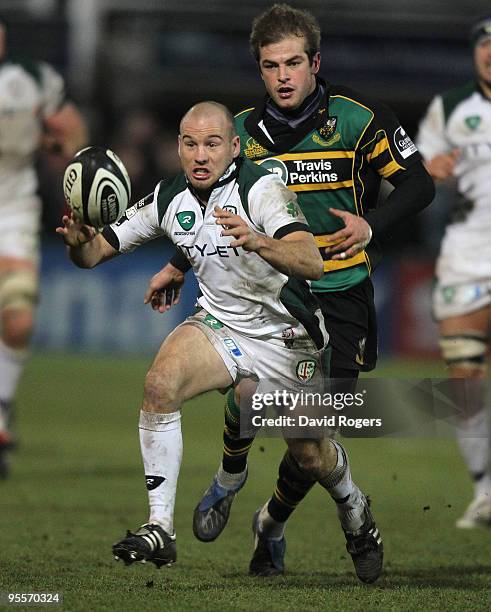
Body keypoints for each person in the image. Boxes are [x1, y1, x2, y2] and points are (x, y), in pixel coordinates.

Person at [145, 3, 434, 578]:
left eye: (294, 63)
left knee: (309, 436)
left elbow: (419, 184)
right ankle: (251, 474)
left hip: (343, 292)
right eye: (272, 65)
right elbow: (211, 205)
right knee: (277, 412)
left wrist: (372, 225)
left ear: (315, 63)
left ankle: (270, 521)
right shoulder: (243, 135)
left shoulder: (359, 117)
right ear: (259, 69)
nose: (283, 75)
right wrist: (179, 262)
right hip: (277, 300)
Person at [57, 101, 385, 581]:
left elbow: (312, 261)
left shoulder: (262, 189)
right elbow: (93, 255)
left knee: (310, 453)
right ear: (179, 149)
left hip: (288, 338)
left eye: (212, 143)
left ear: (234, 147)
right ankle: (159, 528)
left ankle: (355, 510)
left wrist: (258, 241)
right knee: (160, 383)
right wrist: (77, 241)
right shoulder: (169, 198)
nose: (200, 155)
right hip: (222, 327)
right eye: (190, 144)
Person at [0, 16, 88, 477]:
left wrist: (74, 175)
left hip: (12, 214)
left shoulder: (31, 80)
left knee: (17, 322)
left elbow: (72, 131)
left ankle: (0, 415)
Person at [416, 16, 491, 529]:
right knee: (464, 380)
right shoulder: (449, 108)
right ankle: (486, 491)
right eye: (485, 44)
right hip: (468, 258)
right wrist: (429, 172)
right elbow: (412, 176)